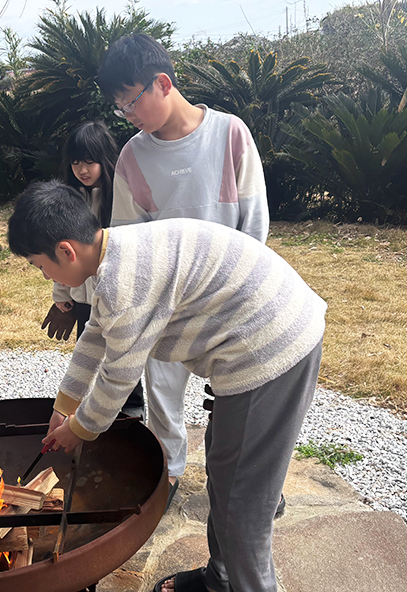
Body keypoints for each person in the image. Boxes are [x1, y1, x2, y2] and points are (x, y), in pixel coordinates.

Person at [7, 180, 325, 592]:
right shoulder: (107, 256)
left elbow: (118, 376)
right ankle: (222, 579)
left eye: (39, 265)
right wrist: (64, 406)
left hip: (269, 348)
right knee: (224, 473)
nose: (41, 274)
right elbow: (95, 336)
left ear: (66, 250)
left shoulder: (124, 283)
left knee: (244, 495)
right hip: (254, 344)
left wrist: (79, 431)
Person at [97, 34, 270, 507]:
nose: (128, 116)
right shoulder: (132, 157)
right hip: (167, 303)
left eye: (130, 103)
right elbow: (129, 241)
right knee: (163, 395)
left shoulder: (230, 133)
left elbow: (254, 223)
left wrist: (245, 299)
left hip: (231, 300)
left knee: (237, 401)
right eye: (120, 109)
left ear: (163, 83)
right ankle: (169, 473)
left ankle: (252, 482)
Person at [41, 121, 144, 418]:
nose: (82, 170)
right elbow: (59, 253)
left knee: (123, 357)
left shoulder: (122, 197)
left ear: (105, 159)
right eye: (75, 162)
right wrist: (62, 295)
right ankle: (91, 416)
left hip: (118, 297)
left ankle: (132, 414)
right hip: (84, 299)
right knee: (87, 358)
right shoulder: (66, 201)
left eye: (89, 161)